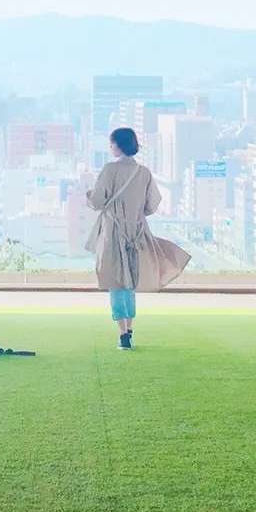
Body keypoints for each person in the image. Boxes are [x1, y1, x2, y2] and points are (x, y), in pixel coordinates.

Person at [84, 127, 189, 351]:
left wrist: (89, 197)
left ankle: (123, 333)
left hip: (114, 232)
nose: (111, 146)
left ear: (119, 145)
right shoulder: (144, 173)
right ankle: (129, 329)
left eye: (112, 143)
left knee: (115, 281)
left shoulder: (109, 169)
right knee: (130, 281)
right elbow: (151, 205)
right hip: (137, 231)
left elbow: (97, 201)